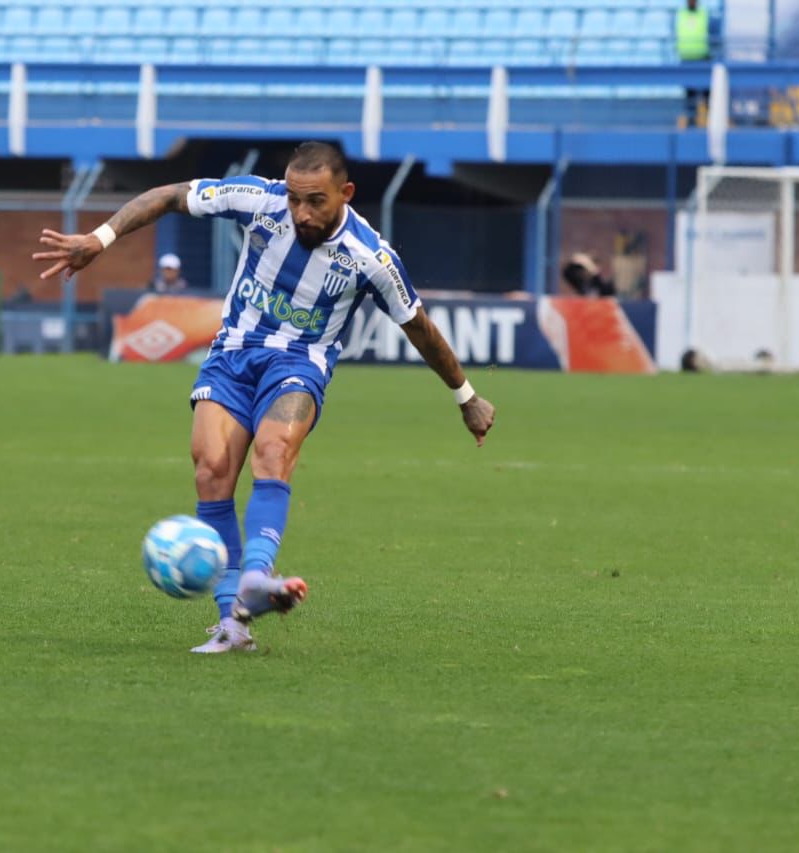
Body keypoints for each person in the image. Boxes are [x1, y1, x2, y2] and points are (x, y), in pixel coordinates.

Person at [33, 141, 496, 653]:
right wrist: (101, 238)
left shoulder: (371, 257)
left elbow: (420, 329)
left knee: (272, 451)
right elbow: (170, 195)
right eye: (295, 198)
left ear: (345, 193)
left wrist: (465, 395)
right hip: (233, 354)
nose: (301, 212)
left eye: (315, 201)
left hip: (299, 364)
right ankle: (233, 623)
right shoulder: (260, 201)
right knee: (211, 469)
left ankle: (257, 576)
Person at [676, 0, 711, 128]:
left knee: (707, 92)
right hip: (686, 59)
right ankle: (692, 122)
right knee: (689, 93)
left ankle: (709, 121)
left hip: (702, 58)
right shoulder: (681, 14)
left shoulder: (704, 14)